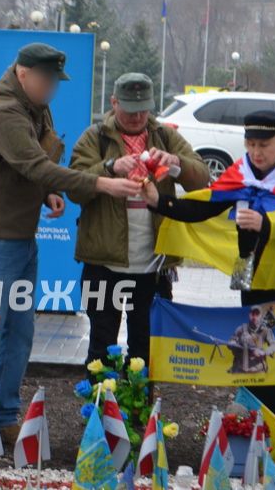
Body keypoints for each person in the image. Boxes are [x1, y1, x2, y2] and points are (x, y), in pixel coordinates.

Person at [0, 43, 142, 454]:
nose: (52, 88)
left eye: (56, 81)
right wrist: (101, 183)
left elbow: (31, 168)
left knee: (19, 334)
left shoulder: (37, 109)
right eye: (47, 80)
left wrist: (46, 194)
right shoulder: (4, 111)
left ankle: (4, 415)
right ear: (23, 74)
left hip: (21, 236)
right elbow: (33, 165)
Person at [143, 110, 275, 427]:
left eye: (264, 145)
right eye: (251, 144)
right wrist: (159, 202)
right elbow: (207, 203)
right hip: (256, 280)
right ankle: (264, 431)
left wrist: (266, 222)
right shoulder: (243, 170)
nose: (256, 153)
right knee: (257, 358)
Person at [68, 73, 209, 368]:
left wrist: (176, 163)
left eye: (143, 109)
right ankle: (101, 399)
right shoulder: (94, 137)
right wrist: (109, 167)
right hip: (103, 264)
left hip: (153, 267)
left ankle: (140, 400)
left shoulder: (165, 136)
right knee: (101, 348)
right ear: (114, 102)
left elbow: (201, 178)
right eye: (130, 110)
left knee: (146, 350)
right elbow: (74, 188)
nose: (137, 117)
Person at [227, 307, 275, 374]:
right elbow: (230, 343)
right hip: (240, 370)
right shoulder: (240, 329)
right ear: (249, 315)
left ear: (261, 316)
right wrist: (232, 343)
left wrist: (264, 352)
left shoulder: (265, 331)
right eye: (252, 314)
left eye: (257, 314)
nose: (254, 317)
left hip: (258, 371)